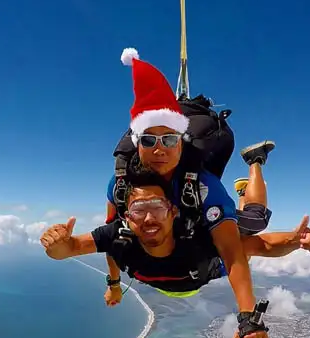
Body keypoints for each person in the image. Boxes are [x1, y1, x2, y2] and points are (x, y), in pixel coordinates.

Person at [40, 168, 310, 338]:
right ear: (127, 217)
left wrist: (295, 241)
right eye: (139, 209)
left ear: (174, 212)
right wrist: (57, 245)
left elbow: (258, 245)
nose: (149, 218)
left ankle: (255, 163)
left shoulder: (199, 241)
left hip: (200, 271)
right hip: (187, 275)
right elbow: (75, 249)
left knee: (255, 218)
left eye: (157, 208)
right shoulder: (119, 236)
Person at [104, 48, 268, 320]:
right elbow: (112, 235)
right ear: (137, 144)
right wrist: (113, 284)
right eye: (148, 140)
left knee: (256, 221)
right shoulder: (121, 184)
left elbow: (232, 251)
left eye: (169, 140)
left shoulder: (203, 186)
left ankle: (255, 161)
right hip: (193, 223)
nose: (159, 150)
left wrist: (247, 314)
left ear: (181, 142)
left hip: (204, 216)